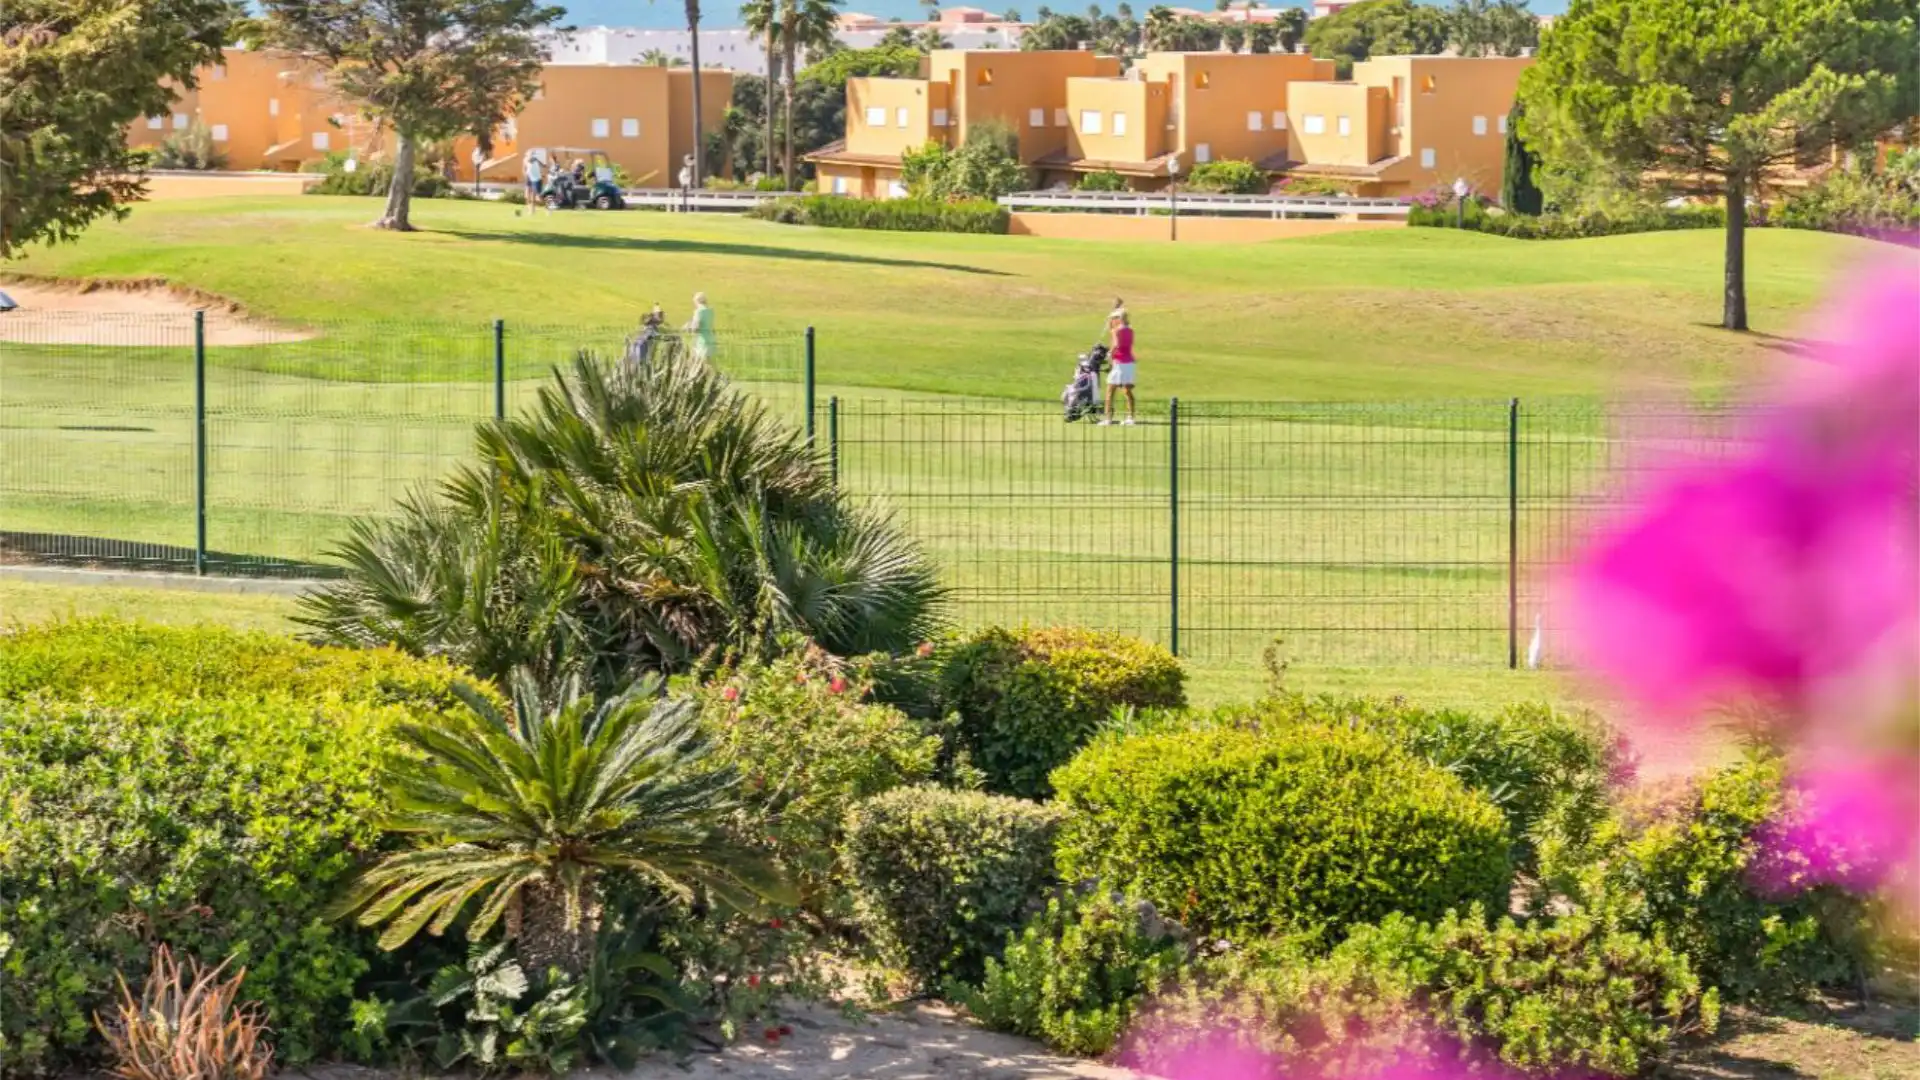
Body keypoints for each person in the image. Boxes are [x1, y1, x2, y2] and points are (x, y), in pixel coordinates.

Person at [1100, 307, 1136, 426]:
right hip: (1129, 363)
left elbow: (1116, 344)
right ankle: (1131, 418)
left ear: (1119, 319)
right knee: (1127, 390)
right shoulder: (1130, 330)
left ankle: (1108, 419)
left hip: (1119, 363)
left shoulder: (1116, 330)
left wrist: (1109, 354)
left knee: (1110, 390)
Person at [685, 292, 716, 362]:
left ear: (697, 301)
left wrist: (689, 328)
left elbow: (696, 326)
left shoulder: (699, 311)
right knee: (708, 361)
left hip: (701, 340)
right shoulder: (710, 311)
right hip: (710, 339)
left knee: (699, 361)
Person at [523, 151, 549, 215]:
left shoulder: (534, 159)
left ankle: (548, 207)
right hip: (530, 178)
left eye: (530, 154)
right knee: (530, 195)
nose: (528, 156)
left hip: (537, 179)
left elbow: (542, 165)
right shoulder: (526, 159)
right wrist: (525, 174)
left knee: (539, 197)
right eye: (528, 154)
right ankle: (532, 210)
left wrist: (545, 166)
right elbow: (526, 166)